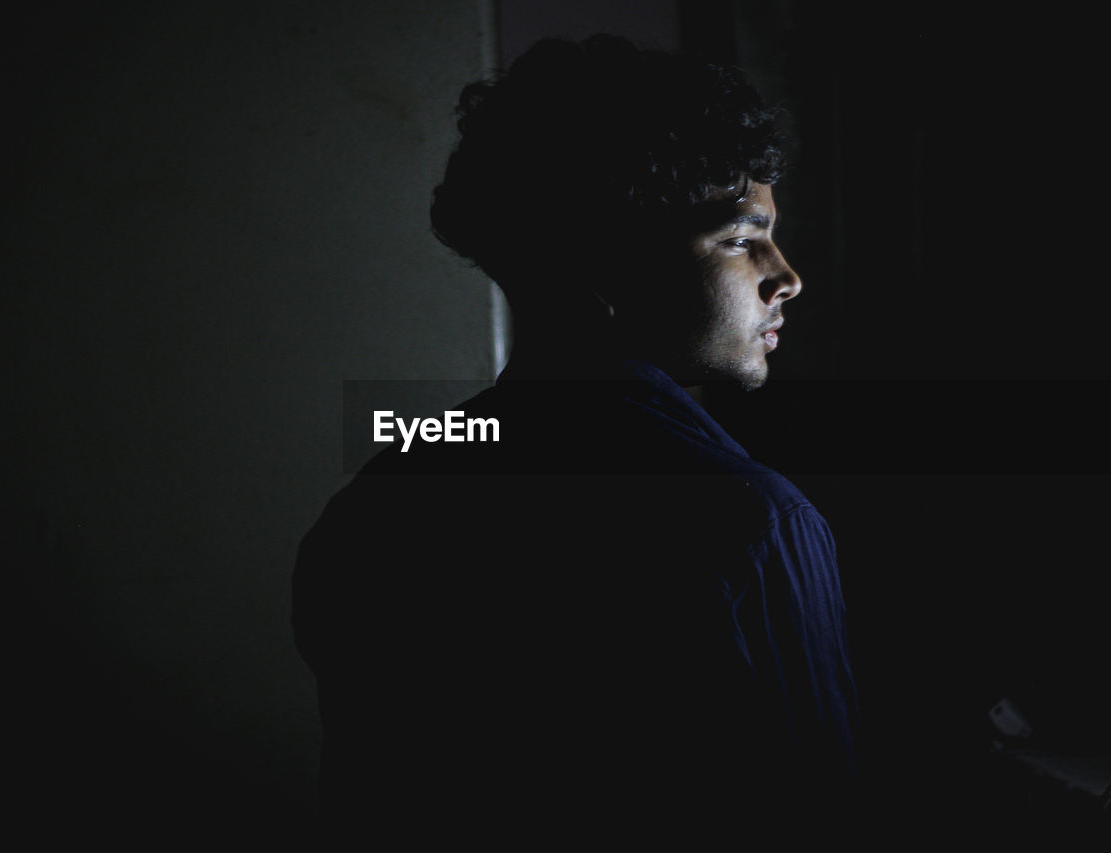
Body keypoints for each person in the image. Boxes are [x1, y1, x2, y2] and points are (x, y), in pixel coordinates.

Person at [293, 34, 858, 844]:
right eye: (739, 238)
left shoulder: (377, 500)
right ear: (607, 266)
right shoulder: (752, 526)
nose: (786, 274)